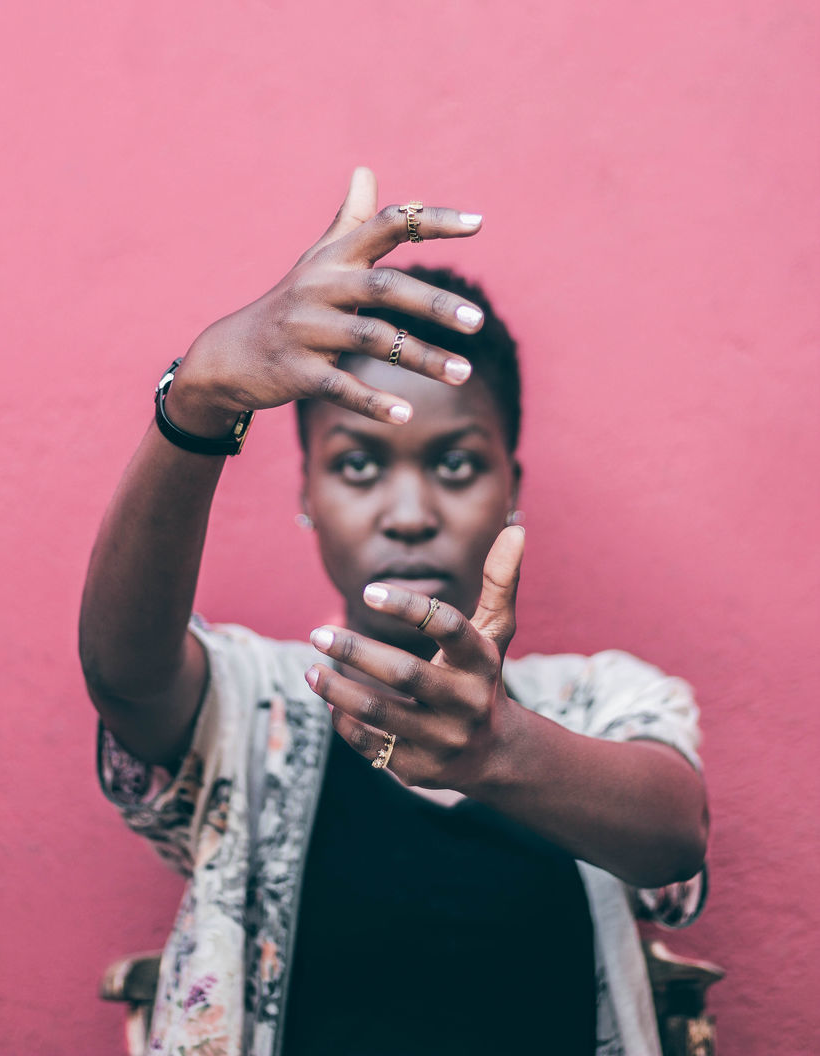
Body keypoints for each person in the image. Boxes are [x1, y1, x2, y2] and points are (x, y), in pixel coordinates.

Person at [80, 169, 709, 1056]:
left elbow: (672, 837)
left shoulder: (596, 701)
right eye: (359, 464)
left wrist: (500, 750)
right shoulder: (250, 702)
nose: (408, 511)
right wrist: (197, 404)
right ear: (304, 487)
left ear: (510, 488)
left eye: (452, 464)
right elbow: (124, 674)